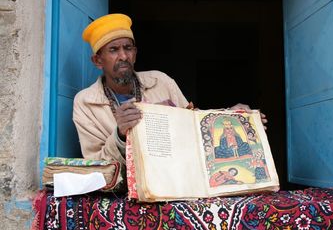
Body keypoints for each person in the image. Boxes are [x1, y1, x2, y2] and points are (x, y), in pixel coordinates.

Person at [73, 13, 267, 165]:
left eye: (128, 48)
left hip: (175, 180)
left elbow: (193, 124)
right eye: (114, 50)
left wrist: (232, 117)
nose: (123, 56)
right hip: (125, 195)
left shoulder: (160, 81)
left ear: (135, 53)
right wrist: (120, 134)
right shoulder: (86, 102)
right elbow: (96, 164)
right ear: (98, 60)